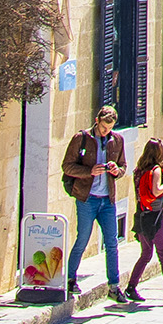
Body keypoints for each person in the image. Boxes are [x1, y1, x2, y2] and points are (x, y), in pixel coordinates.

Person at [59, 105, 127, 295]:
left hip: (108, 200)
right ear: (97, 121)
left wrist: (116, 171)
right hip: (87, 198)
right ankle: (70, 279)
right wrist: (89, 171)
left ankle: (114, 286)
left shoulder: (117, 140)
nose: (107, 131)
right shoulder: (81, 139)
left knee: (112, 242)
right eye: (104, 128)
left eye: (110, 128)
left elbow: (123, 166)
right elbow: (67, 166)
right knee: (82, 239)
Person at [122, 138, 163, 306]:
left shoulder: (138, 171)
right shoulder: (156, 170)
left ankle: (131, 287)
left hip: (141, 216)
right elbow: (156, 190)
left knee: (146, 254)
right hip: (155, 218)